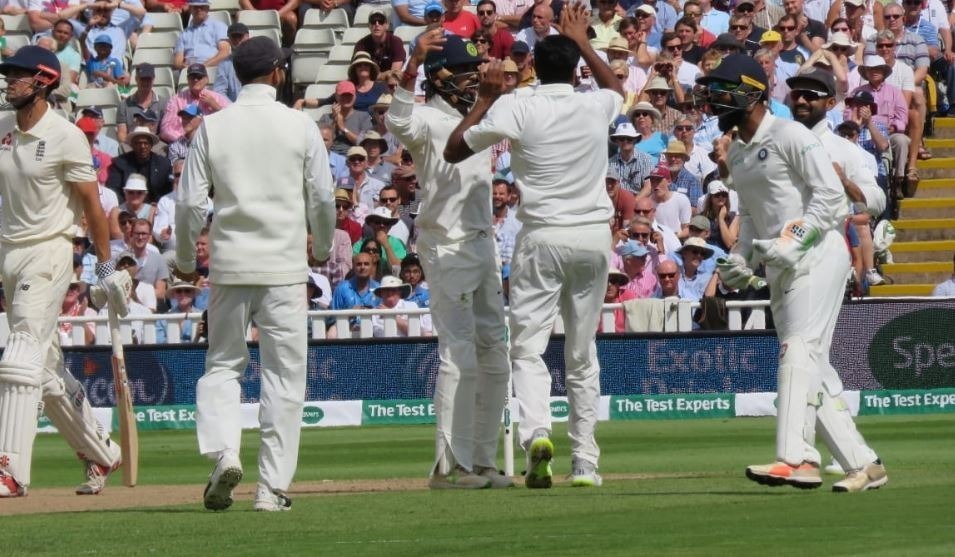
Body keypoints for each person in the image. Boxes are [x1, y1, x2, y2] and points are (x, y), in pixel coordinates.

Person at [445, 3, 624, 489]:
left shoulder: (517, 104)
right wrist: (585, 40)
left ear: (532, 68)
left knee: (527, 349)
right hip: (592, 237)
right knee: (582, 354)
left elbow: (454, 150)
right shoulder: (594, 102)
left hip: (542, 237)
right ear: (574, 68)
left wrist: (483, 100)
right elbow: (617, 90)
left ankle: (538, 434)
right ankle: (585, 462)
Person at [702, 53, 886, 492]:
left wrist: (791, 241)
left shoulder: (790, 135)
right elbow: (750, 219)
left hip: (819, 254)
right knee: (811, 367)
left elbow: (831, 199)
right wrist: (741, 261)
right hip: (782, 265)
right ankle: (865, 464)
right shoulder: (741, 155)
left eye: (720, 91)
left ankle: (798, 457)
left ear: (749, 93)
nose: (712, 100)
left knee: (796, 349)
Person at [174, 36, 335, 512]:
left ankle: (225, 451)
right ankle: (271, 489)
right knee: (285, 378)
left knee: (223, 365)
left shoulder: (212, 126)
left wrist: (185, 259)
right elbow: (323, 198)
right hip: (284, 267)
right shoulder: (299, 124)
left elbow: (188, 203)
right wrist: (322, 247)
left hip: (230, 264)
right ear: (278, 73)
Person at [0, 47, 131, 498]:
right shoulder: (2, 129)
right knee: (47, 371)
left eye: (17, 76)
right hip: (10, 255)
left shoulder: (66, 136)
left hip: (50, 251)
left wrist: (105, 263)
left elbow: (92, 205)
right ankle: (100, 450)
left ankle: (9, 470)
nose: (9, 82)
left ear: (43, 81)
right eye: (8, 75)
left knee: (19, 360)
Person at [385, 33, 511, 488]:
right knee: (459, 355)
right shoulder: (424, 118)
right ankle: (447, 466)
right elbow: (397, 120)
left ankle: (482, 460)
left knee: (495, 355)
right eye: (464, 76)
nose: (473, 84)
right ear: (440, 79)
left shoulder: (477, 116)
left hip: (483, 244)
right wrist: (414, 61)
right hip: (445, 244)